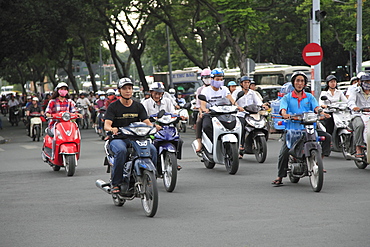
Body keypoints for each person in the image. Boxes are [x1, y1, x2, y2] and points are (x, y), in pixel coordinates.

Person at [272, 71, 331, 186]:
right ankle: (280, 176)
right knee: (284, 152)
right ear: (293, 83)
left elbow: (317, 108)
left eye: (302, 81)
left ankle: (319, 162)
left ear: (305, 84)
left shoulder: (309, 97)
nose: (300, 83)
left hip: (310, 127)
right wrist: (285, 114)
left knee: (327, 137)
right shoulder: (287, 98)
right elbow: (283, 109)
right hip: (293, 129)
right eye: (297, 81)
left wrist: (322, 113)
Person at [104, 77, 158, 194]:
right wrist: (112, 129)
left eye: (130, 88)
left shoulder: (138, 106)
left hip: (136, 138)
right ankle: (116, 182)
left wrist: (153, 127)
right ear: (119, 91)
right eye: (124, 88)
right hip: (118, 138)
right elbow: (106, 125)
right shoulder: (113, 107)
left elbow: (146, 121)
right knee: (122, 151)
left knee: (153, 149)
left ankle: (150, 178)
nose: (127, 91)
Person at [198, 68, 239, 149]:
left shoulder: (224, 89)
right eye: (217, 79)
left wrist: (237, 106)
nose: (219, 81)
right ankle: (210, 142)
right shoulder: (205, 90)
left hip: (224, 113)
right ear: (212, 79)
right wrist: (205, 110)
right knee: (206, 126)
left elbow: (231, 99)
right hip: (211, 114)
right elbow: (203, 104)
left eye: (221, 79)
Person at [232, 76, 268, 157]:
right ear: (241, 84)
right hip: (240, 114)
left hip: (252, 114)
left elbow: (258, 102)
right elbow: (233, 102)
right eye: (245, 83)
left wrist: (263, 106)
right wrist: (238, 107)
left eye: (248, 82)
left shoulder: (252, 93)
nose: (247, 84)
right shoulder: (236, 92)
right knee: (241, 125)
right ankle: (240, 145)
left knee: (262, 122)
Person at [347, 72, 370, 158]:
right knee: (360, 125)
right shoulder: (355, 91)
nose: (368, 84)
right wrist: (354, 107)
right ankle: (358, 147)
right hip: (358, 114)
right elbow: (350, 101)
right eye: (366, 82)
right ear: (361, 82)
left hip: (369, 115)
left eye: (369, 82)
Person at [194, 68, 212, 147]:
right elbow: (198, 104)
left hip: (217, 111)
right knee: (199, 121)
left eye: (209, 77)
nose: (207, 79)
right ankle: (199, 141)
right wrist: (201, 112)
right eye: (205, 77)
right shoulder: (200, 90)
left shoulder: (216, 88)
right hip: (205, 111)